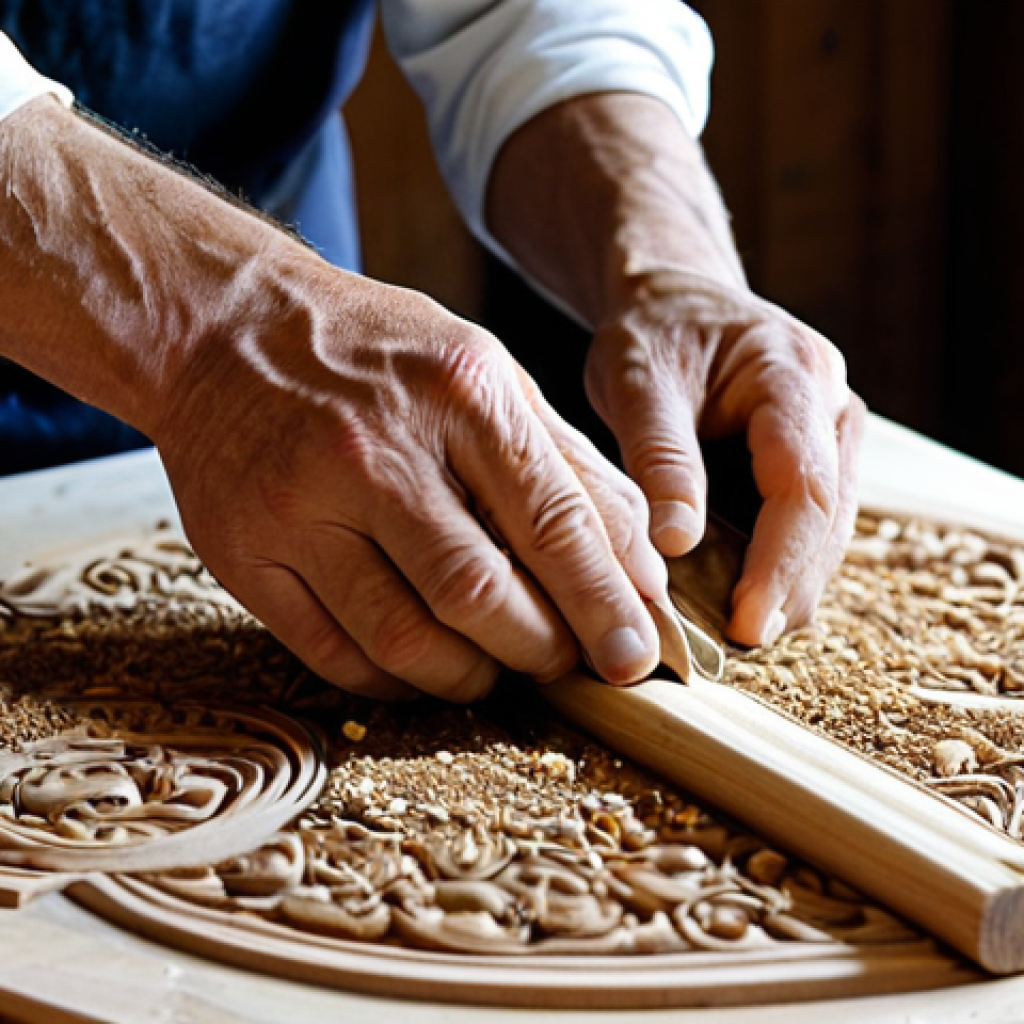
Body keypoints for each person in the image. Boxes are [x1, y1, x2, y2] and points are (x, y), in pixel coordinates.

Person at [0, 1, 864, 702]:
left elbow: (513, 12)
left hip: (309, 425)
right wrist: (214, 330)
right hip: (254, 353)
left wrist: (670, 265)